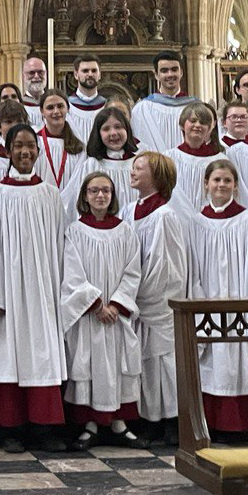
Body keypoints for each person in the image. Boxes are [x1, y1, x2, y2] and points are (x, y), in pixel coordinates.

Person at [0, 124, 68, 453]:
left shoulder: (50, 194)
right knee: (10, 354)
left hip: (43, 288)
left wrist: (59, 289)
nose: (25, 152)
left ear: (38, 152)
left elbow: (60, 244)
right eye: (18, 147)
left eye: (31, 147)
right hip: (8, 290)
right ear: (8, 152)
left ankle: (44, 427)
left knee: (42, 355)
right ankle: (10, 427)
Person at [184, 160, 248, 437]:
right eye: (216, 180)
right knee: (211, 363)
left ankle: (246, 425)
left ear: (236, 186)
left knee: (242, 362)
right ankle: (212, 424)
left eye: (227, 180)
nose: (221, 185)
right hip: (208, 304)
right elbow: (192, 267)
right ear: (206, 184)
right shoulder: (196, 222)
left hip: (240, 303)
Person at [61, 172, 143, 450]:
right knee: (89, 366)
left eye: (106, 191)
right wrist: (96, 304)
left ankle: (120, 424)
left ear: (113, 196)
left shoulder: (125, 231)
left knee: (118, 367)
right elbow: (71, 274)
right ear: (84, 196)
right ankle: (90, 425)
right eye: (94, 191)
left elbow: (133, 272)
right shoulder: (74, 231)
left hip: (115, 317)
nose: (100, 196)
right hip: (90, 316)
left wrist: (117, 305)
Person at [125, 151, 186, 446]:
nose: (133, 171)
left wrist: (141, 295)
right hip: (135, 300)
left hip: (156, 301)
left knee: (165, 363)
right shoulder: (129, 211)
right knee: (146, 366)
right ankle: (149, 420)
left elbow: (165, 266)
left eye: (140, 167)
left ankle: (173, 421)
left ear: (157, 176)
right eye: (133, 166)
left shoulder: (164, 215)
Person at [62, 106, 140, 220]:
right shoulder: (92, 165)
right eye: (106, 129)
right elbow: (77, 201)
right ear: (98, 134)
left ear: (127, 129)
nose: (113, 133)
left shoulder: (137, 164)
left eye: (118, 127)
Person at [168, 102, 228, 218]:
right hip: (177, 219)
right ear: (182, 125)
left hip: (210, 221)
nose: (198, 125)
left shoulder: (220, 160)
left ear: (210, 128)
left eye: (203, 122)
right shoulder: (169, 158)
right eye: (193, 120)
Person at [129, 51, 198, 153]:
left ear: (181, 72)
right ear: (156, 75)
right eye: (164, 71)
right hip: (155, 166)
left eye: (174, 70)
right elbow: (137, 144)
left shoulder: (195, 107)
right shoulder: (142, 109)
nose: (170, 74)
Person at [35, 89, 85, 193]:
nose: (56, 111)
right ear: (42, 112)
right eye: (50, 107)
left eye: (60, 106)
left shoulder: (80, 148)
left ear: (68, 108)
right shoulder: (35, 143)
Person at [66, 53, 107, 137]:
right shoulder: (67, 107)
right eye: (85, 71)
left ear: (99, 75)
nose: (90, 74)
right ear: (76, 75)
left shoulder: (106, 106)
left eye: (94, 71)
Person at [21, 54, 48, 129]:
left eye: (41, 72)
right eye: (31, 73)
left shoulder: (54, 103)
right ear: (23, 76)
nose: (36, 76)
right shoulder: (19, 106)